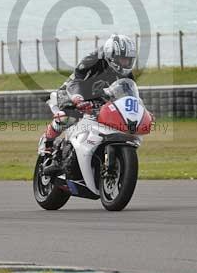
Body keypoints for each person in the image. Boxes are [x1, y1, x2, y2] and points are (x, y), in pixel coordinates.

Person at [40, 34, 137, 173]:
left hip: (98, 99)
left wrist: (140, 109)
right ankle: (47, 145)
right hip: (72, 91)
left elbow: (129, 94)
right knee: (68, 116)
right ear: (111, 55)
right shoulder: (92, 60)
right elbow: (76, 80)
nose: (125, 63)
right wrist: (77, 98)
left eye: (128, 60)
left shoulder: (126, 74)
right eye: (123, 59)